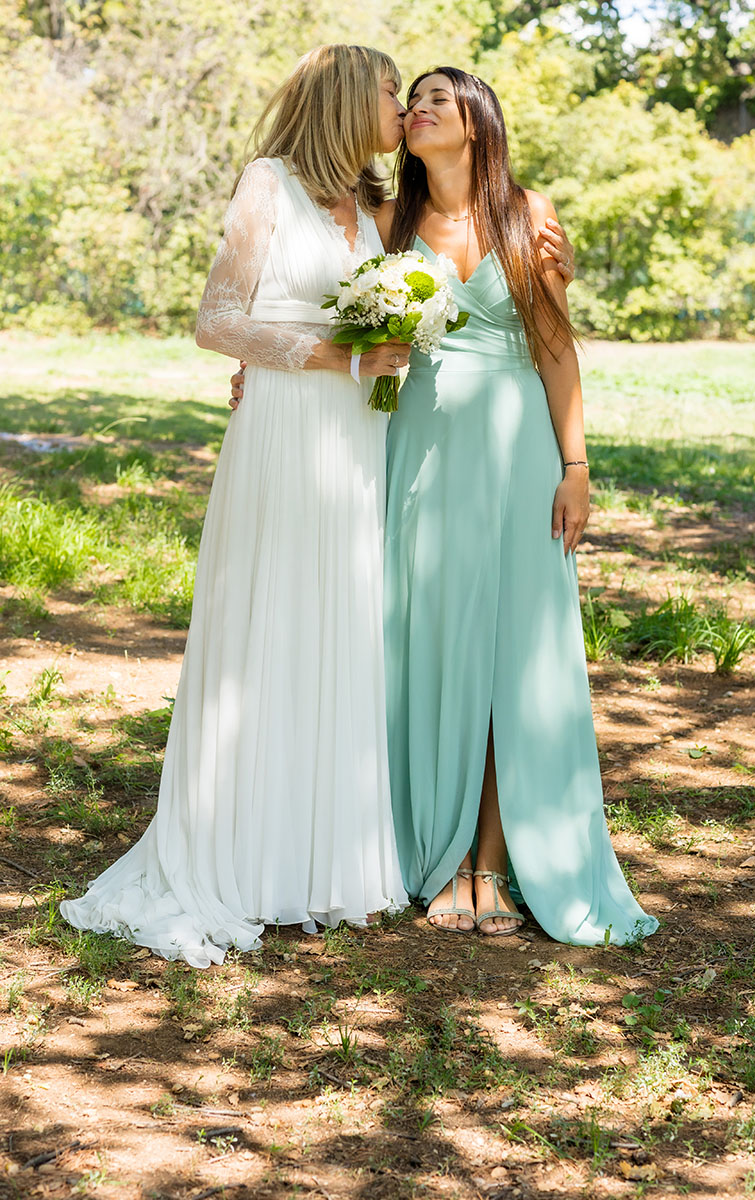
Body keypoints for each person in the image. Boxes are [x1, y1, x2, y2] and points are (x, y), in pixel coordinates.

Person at [60, 44, 411, 967]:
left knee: (338, 630)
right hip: (287, 431)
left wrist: (395, 347)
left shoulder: (374, 205)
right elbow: (216, 319)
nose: (400, 102)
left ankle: (320, 863)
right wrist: (333, 357)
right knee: (272, 627)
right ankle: (244, 857)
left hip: (355, 441)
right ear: (344, 97)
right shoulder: (270, 184)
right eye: (387, 88)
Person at [375, 68, 658, 942]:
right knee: (426, 643)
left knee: (509, 655)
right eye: (410, 100)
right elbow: (360, 341)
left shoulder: (525, 217)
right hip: (415, 449)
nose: (416, 110)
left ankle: (490, 862)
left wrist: (576, 466)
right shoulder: (389, 221)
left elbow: (556, 351)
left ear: (475, 122)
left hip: (515, 456)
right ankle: (435, 849)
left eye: (434, 100)